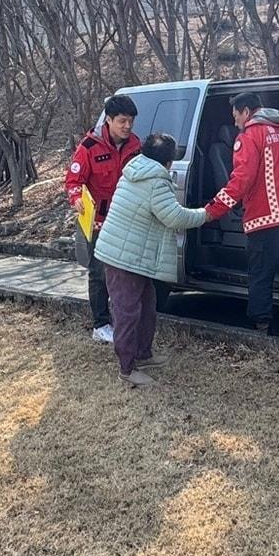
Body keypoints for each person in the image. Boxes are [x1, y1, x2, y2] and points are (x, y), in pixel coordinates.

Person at [94, 133, 209, 387]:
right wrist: (206, 214)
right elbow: (174, 217)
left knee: (147, 305)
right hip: (123, 257)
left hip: (130, 254)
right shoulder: (155, 180)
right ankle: (127, 368)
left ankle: (143, 354)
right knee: (128, 312)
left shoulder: (135, 169)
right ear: (169, 161)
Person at [205, 92, 279, 337]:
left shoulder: (251, 136)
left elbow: (241, 180)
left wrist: (213, 210)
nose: (235, 123)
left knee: (260, 275)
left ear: (246, 111)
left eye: (236, 117)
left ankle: (261, 329)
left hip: (268, 218)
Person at [65, 94, 141, 343]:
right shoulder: (89, 147)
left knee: (127, 271)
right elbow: (73, 181)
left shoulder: (135, 145)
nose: (127, 126)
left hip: (127, 219)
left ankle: (125, 319)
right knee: (99, 273)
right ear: (108, 120)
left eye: (130, 121)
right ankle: (100, 324)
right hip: (98, 221)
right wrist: (76, 198)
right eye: (122, 121)